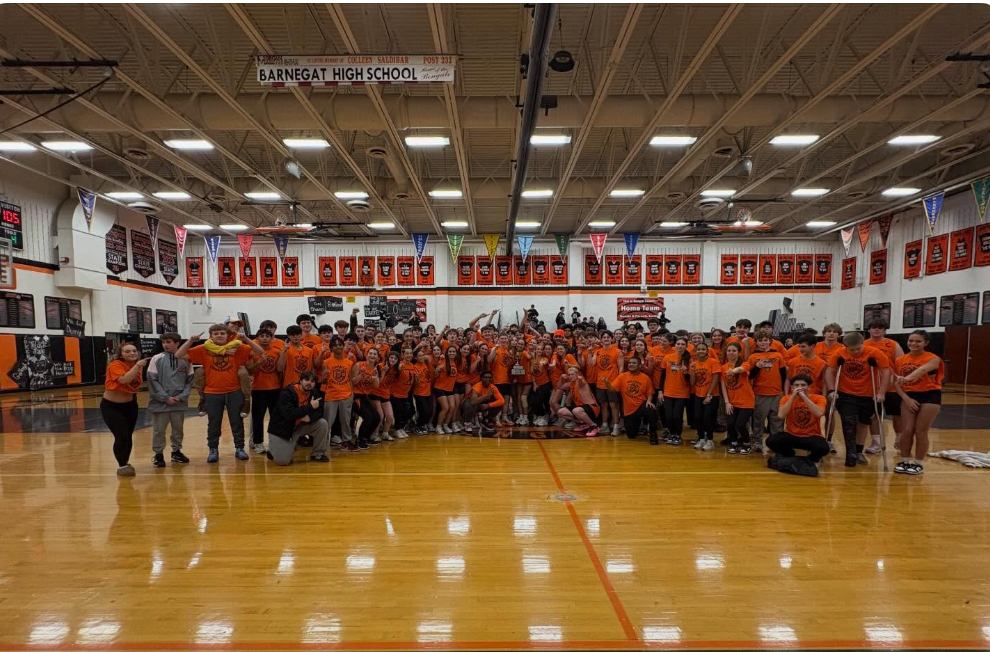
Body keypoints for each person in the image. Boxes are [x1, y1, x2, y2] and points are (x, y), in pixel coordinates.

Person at [177, 324, 265, 463]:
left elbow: (259, 351)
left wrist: (246, 339)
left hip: (234, 391)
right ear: (211, 336)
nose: (219, 335)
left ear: (227, 335)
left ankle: (239, 448)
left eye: (222, 333)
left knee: (237, 422)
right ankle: (213, 449)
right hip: (212, 392)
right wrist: (191, 341)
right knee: (213, 423)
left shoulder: (236, 348)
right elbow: (179, 354)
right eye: (216, 333)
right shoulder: (204, 349)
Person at [825, 332, 889, 468]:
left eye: (857, 349)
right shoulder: (839, 353)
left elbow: (886, 372)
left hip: (868, 394)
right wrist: (832, 390)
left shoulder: (874, 353)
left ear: (863, 344)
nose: (854, 352)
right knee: (848, 422)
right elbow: (830, 371)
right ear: (845, 347)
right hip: (846, 393)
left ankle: (858, 451)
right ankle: (850, 453)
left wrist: (881, 392)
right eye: (851, 349)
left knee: (863, 423)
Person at [892, 330, 944, 475]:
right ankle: (905, 460)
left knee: (920, 431)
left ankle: (918, 463)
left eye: (918, 341)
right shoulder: (900, 360)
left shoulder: (933, 358)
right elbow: (896, 383)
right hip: (909, 395)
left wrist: (908, 378)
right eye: (911, 341)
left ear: (925, 343)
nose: (913, 344)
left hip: (929, 395)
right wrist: (906, 399)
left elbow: (922, 370)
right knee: (907, 430)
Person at [146, 332, 194, 467]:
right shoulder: (156, 359)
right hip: (160, 402)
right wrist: (165, 397)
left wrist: (181, 396)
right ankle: (158, 454)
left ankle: (176, 451)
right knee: (159, 430)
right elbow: (152, 380)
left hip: (178, 402)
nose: (165, 345)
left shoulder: (186, 359)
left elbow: (190, 381)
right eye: (163, 342)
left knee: (178, 429)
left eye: (169, 342)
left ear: (177, 343)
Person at [101, 342, 147, 476]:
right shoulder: (115, 365)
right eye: (127, 351)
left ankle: (125, 462)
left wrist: (138, 366)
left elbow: (134, 384)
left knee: (128, 436)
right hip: (112, 406)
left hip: (130, 405)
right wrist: (138, 365)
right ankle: (121, 466)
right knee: (121, 435)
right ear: (120, 354)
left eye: (134, 351)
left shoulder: (137, 365)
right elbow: (124, 380)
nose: (132, 353)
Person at [266, 371, 331, 465]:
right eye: (306, 380)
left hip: (299, 426)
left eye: (312, 381)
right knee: (282, 462)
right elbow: (289, 414)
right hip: (282, 430)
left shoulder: (313, 393)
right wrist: (310, 407)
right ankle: (273, 449)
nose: (309, 383)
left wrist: (310, 418)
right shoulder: (287, 393)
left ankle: (317, 453)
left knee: (322, 423)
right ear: (300, 381)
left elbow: (320, 411)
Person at [865, 318, 905, 456]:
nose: (877, 330)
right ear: (869, 329)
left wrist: (901, 379)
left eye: (880, 328)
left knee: (897, 414)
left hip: (892, 386)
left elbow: (901, 363)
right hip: (872, 386)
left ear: (884, 330)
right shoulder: (864, 345)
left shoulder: (893, 345)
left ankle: (900, 440)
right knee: (874, 414)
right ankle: (876, 442)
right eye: (874, 327)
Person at [768, 374, 829, 464]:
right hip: (791, 434)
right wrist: (792, 397)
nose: (799, 387)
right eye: (796, 385)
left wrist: (804, 397)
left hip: (811, 435)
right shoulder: (786, 398)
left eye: (803, 385)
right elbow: (781, 415)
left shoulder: (819, 398)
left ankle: (811, 460)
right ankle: (789, 454)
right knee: (771, 441)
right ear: (792, 387)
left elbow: (819, 413)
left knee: (824, 448)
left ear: (809, 387)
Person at [604, 356, 658, 444]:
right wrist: (607, 383)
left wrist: (649, 401)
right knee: (631, 435)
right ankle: (637, 425)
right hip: (629, 410)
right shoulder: (622, 376)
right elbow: (612, 390)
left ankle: (653, 434)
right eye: (629, 363)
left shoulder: (645, 378)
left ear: (640, 366)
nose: (631, 364)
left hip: (641, 405)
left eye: (634, 363)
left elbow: (650, 393)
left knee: (651, 409)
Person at [747, 333, 786, 452]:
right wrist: (757, 367)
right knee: (758, 420)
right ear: (756, 342)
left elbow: (783, 374)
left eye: (766, 340)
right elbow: (750, 376)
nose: (763, 342)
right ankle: (757, 441)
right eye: (760, 340)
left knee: (777, 421)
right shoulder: (753, 357)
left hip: (777, 393)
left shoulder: (778, 355)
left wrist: (784, 391)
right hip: (760, 393)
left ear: (770, 341)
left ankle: (775, 442)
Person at [247, 328, 282, 454]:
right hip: (258, 389)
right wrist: (259, 363)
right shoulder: (252, 352)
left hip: (274, 388)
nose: (265, 338)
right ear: (258, 338)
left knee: (275, 417)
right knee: (258, 418)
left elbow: (279, 369)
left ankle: (274, 441)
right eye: (262, 336)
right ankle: (258, 442)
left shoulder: (277, 352)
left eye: (268, 336)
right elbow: (250, 370)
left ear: (271, 338)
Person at [721, 342, 756, 454]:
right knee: (730, 424)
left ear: (739, 353)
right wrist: (727, 402)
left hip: (746, 401)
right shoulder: (723, 368)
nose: (731, 353)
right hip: (732, 402)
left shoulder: (745, 364)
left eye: (734, 351)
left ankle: (746, 444)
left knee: (740, 425)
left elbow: (740, 370)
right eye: (729, 351)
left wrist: (733, 370)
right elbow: (723, 386)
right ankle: (734, 443)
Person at [320, 335, 355, 445]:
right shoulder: (326, 362)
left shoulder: (349, 362)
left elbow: (350, 380)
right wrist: (324, 378)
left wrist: (351, 395)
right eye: (335, 346)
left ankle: (347, 440)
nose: (338, 347)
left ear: (343, 346)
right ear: (331, 348)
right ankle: (323, 441)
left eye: (340, 345)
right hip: (331, 395)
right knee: (328, 421)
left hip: (346, 395)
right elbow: (324, 382)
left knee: (345, 420)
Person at [658, 337, 692, 445]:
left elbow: (690, 380)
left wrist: (686, 373)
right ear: (675, 345)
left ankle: (678, 435)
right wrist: (660, 391)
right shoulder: (667, 357)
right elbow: (662, 376)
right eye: (678, 344)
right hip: (668, 391)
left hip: (682, 393)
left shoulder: (689, 359)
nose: (680, 346)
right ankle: (672, 434)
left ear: (686, 346)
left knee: (677, 416)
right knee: (668, 416)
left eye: (683, 344)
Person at [690, 342, 720, 451]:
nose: (701, 351)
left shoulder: (713, 362)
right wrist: (692, 370)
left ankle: (710, 440)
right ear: (696, 351)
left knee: (707, 418)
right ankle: (701, 439)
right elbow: (692, 382)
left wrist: (709, 394)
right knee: (697, 418)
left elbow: (715, 379)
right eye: (698, 349)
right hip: (699, 394)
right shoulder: (694, 363)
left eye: (703, 349)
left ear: (707, 351)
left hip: (712, 395)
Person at [556, 365, 600, 437]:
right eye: (569, 375)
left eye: (572, 374)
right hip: (581, 408)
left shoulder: (581, 381)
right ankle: (584, 423)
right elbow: (559, 387)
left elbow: (581, 382)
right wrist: (561, 378)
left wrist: (579, 379)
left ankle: (594, 426)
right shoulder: (571, 383)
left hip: (592, 408)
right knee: (560, 412)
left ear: (577, 374)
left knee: (576, 410)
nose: (570, 376)